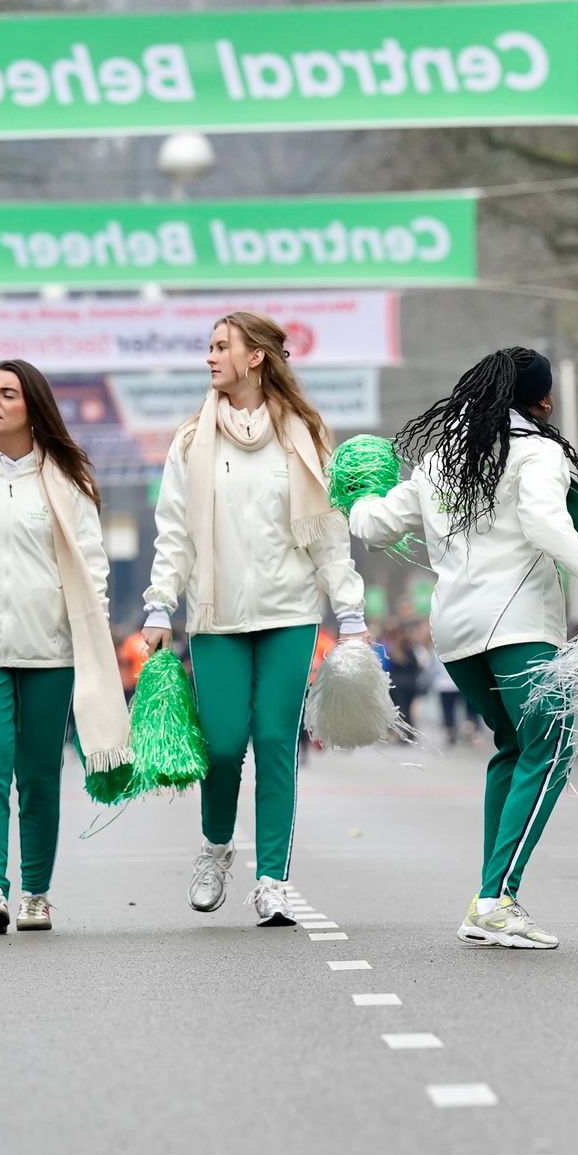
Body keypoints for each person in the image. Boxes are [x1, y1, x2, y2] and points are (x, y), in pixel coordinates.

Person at [350, 347, 578, 950]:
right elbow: (545, 525)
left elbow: (374, 527)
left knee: (513, 746)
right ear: (544, 400)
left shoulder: (441, 459)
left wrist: (356, 490)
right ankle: (496, 900)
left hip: (454, 635)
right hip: (517, 626)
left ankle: (489, 897)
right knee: (551, 746)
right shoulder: (539, 452)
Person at [142, 311, 369, 927]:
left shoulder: (303, 434)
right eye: (210, 347)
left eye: (222, 346)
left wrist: (349, 611)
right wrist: (160, 603)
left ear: (256, 357)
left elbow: (328, 531)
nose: (211, 357)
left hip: (290, 613)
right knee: (221, 745)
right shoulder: (191, 440)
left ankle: (272, 881)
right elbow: (174, 531)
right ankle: (216, 849)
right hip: (215, 616)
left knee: (274, 742)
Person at [0, 360, 128, 935]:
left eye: (8, 394)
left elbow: (92, 564)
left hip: (50, 650)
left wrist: (92, 632)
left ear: (33, 405)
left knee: (38, 776)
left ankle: (36, 894)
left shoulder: (67, 477)